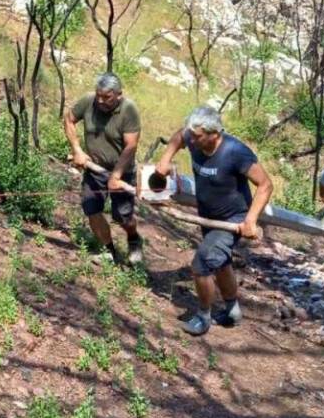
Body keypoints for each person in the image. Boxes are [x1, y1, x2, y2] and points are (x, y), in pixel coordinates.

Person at [155, 105, 273, 336]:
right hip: (207, 216)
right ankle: (232, 311)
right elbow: (180, 136)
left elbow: (266, 184)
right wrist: (165, 159)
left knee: (202, 264)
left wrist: (250, 220)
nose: (192, 140)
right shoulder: (192, 136)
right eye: (192, 134)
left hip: (233, 219)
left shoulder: (236, 153)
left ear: (214, 133)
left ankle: (203, 316)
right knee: (220, 262)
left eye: (197, 136)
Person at [64, 72, 144, 265]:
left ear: (119, 94)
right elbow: (69, 119)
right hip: (94, 169)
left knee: (122, 216)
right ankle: (110, 252)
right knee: (91, 208)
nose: (100, 100)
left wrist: (116, 175)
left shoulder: (128, 110)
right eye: (98, 95)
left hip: (122, 172)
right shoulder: (89, 101)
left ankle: (134, 238)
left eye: (106, 97)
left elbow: (131, 146)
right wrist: (77, 150)